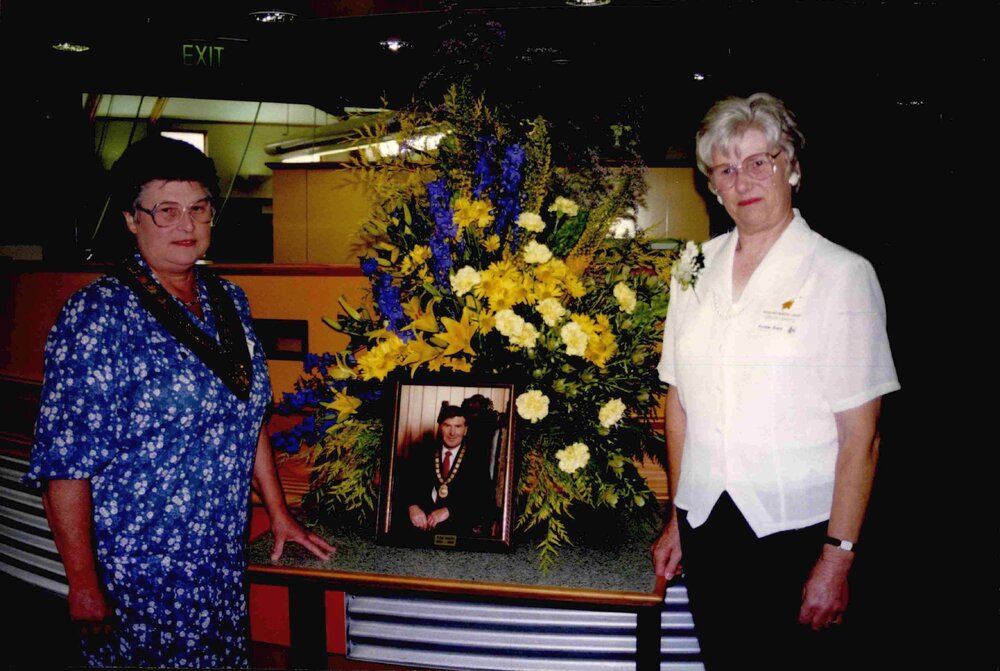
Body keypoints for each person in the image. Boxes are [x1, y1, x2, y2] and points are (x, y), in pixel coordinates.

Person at [24, 135, 334, 668]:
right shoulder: (98, 316)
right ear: (130, 218)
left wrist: (279, 514)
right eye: (165, 211)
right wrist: (82, 584)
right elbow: (65, 467)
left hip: (216, 565)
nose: (185, 227)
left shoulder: (228, 300)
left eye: (198, 209)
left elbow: (245, 412)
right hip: (135, 573)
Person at [650, 93, 899, 670]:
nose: (744, 181)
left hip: (797, 533)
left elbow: (861, 435)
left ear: (792, 165)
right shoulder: (694, 270)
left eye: (759, 161)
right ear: (712, 184)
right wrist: (679, 516)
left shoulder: (841, 274)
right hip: (709, 525)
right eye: (726, 168)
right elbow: (680, 402)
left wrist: (837, 558)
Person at [401, 404, 494, 537]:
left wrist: (450, 511)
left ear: (465, 430)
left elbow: (484, 500)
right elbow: (405, 486)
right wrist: (412, 506)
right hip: (420, 528)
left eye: (458, 427)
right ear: (440, 427)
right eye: (447, 425)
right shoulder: (423, 452)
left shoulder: (476, 459)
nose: (452, 433)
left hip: (459, 530)